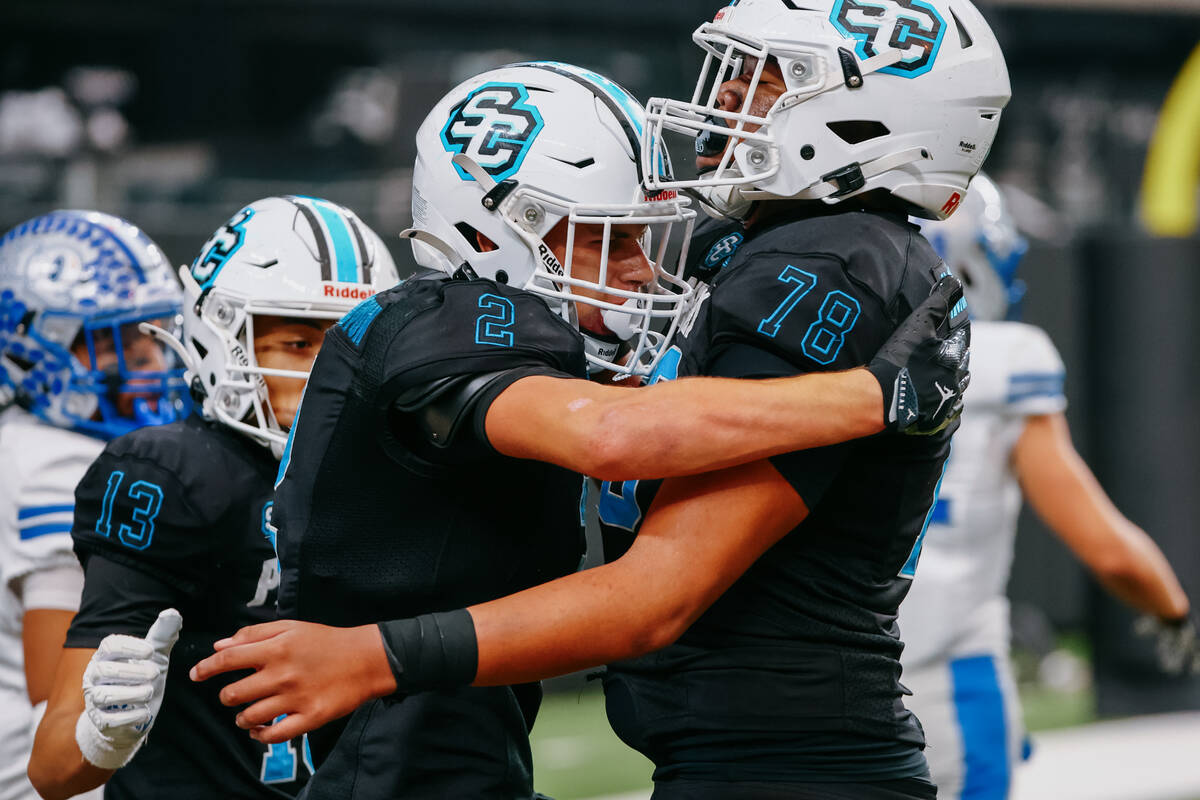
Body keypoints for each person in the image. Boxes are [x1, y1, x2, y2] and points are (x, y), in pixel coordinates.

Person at [193, 47, 978, 800]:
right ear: (499, 231)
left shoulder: (516, 344)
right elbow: (613, 437)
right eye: (613, 238)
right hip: (394, 759)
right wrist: (874, 398)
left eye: (645, 236)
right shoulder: (448, 321)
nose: (646, 268)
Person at [27, 196, 400, 800]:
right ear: (223, 338)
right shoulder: (174, 475)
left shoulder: (403, 468)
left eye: (349, 345)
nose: (331, 372)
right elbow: (52, 766)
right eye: (298, 344)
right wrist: (105, 735)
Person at [896, 173, 1196, 800]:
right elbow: (1106, 546)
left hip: (832, 684)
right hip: (952, 676)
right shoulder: (1008, 357)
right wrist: (1172, 611)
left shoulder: (833, 363)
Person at [0, 209, 188, 800]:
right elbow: (55, 700)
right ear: (37, 348)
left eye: (154, 336)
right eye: (122, 343)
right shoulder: (56, 466)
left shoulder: (27, 441)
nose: (154, 364)